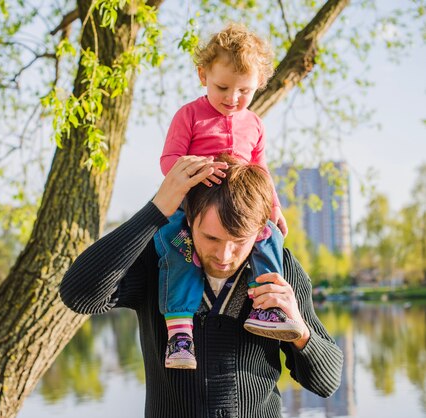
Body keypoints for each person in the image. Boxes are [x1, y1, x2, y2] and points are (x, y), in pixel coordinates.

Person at [60, 155, 343, 418]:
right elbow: (79, 295)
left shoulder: (281, 270)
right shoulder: (158, 260)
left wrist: (300, 331)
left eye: (238, 242)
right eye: (211, 238)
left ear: (260, 233)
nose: (224, 256)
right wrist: (156, 210)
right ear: (189, 220)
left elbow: (327, 382)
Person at [157, 23, 298, 369]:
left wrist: (274, 206)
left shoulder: (254, 124)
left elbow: (260, 170)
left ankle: (266, 306)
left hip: (241, 207)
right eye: (223, 87)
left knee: (269, 237)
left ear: (258, 86)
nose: (233, 99)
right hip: (193, 203)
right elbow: (168, 161)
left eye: (244, 91)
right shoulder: (189, 115)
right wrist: (200, 168)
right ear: (203, 74)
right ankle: (179, 332)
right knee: (178, 249)